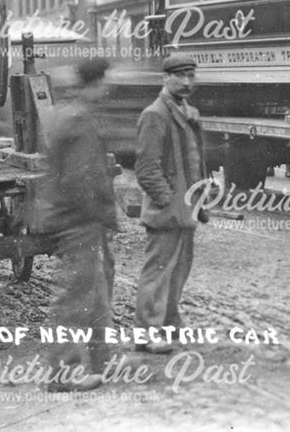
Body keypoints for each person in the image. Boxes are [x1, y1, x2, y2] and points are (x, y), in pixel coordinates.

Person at [41, 57, 117, 392]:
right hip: (79, 222)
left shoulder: (68, 114)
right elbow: (83, 181)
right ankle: (61, 374)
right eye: (103, 82)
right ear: (94, 84)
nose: (107, 88)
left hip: (78, 220)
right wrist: (103, 213)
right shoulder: (79, 122)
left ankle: (106, 361)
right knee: (74, 300)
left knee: (96, 296)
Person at [134, 53, 207, 353]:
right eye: (180, 76)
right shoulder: (155, 114)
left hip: (186, 208)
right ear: (165, 78)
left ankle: (169, 323)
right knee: (158, 271)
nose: (187, 82)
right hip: (169, 211)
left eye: (191, 76)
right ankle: (147, 333)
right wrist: (167, 202)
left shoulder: (186, 112)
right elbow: (146, 170)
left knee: (178, 270)